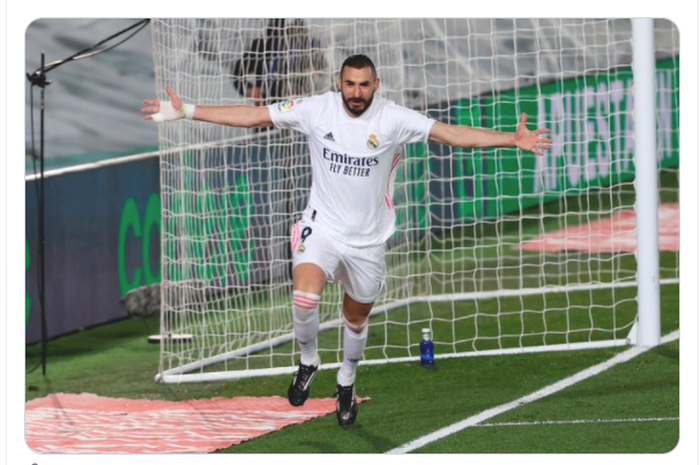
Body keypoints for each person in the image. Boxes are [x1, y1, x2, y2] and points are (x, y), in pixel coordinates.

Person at [142, 54, 551, 427]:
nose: (356, 92)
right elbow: (254, 117)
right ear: (339, 82)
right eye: (350, 84)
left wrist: (511, 140)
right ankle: (308, 362)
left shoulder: (393, 119)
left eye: (364, 85)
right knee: (304, 299)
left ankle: (346, 381)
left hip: (368, 242)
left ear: (377, 84)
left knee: (355, 319)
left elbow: (450, 134)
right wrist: (188, 111)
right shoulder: (315, 109)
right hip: (321, 228)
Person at [231, 19, 327, 106]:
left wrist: (312, 79)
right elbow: (238, 74)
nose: (290, 28)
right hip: (269, 106)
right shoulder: (262, 46)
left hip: (300, 106)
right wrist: (251, 90)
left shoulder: (311, 46)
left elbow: (324, 72)